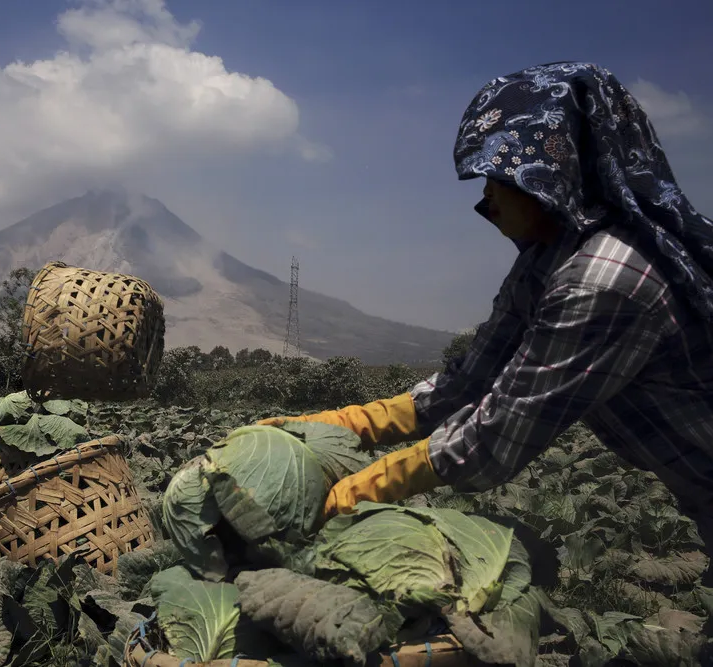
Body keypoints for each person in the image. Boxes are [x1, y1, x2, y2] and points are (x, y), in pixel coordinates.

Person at [259, 62, 713, 582]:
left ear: (552, 170)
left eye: (500, 176)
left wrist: (361, 488)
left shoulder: (604, 281)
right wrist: (345, 425)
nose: (486, 197)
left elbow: (497, 436)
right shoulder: (547, 260)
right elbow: (468, 383)